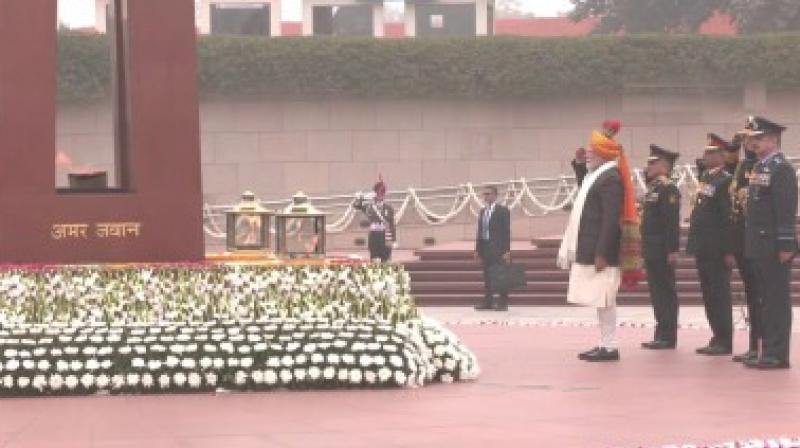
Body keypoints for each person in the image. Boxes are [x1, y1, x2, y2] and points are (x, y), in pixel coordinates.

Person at [559, 121, 642, 362]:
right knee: (600, 300)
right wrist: (578, 165)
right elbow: (587, 189)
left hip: (602, 249)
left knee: (605, 299)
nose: (588, 154)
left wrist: (602, 252)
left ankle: (610, 345)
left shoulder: (611, 178)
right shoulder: (598, 175)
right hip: (593, 247)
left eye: (592, 150)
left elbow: (609, 219)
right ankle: (605, 343)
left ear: (604, 154)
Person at [742, 116, 796, 370]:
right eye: (754, 138)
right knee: (764, 299)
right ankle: (767, 349)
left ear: (773, 140)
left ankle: (778, 353)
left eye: (760, 138)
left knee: (776, 300)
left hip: (774, 244)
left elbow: (785, 209)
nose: (754, 142)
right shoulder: (760, 167)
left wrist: (786, 245)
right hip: (758, 243)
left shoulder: (781, 169)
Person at [687, 134, 735, 356]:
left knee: (719, 294)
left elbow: (727, 217)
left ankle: (724, 340)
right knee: (708, 294)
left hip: (717, 247)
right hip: (703, 246)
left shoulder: (725, 180)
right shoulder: (706, 178)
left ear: (722, 155)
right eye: (705, 152)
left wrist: (728, 249)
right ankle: (716, 335)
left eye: (711, 152)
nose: (705, 156)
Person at [726, 129, 762, 364]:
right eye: (746, 139)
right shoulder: (741, 166)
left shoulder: (761, 166)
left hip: (756, 240)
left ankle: (761, 346)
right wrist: (733, 144)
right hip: (741, 239)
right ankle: (753, 346)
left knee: (759, 295)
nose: (749, 143)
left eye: (753, 139)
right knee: (751, 294)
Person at [640, 145, 681, 350]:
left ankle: (668, 335)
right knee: (657, 293)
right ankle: (661, 333)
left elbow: (670, 222)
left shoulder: (668, 188)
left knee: (665, 292)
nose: (648, 165)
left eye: (652, 162)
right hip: (651, 248)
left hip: (662, 249)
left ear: (664, 166)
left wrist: (672, 250)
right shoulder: (654, 188)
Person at [474, 185, 512, 311]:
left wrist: (507, 251)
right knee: (487, 276)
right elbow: (480, 231)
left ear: (495, 196)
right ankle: (488, 301)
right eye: (484, 194)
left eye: (488, 194)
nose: (486, 196)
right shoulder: (482, 211)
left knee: (500, 276)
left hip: (498, 248)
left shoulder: (502, 211)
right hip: (485, 247)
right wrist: (477, 249)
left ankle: (503, 302)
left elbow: (506, 232)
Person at [354, 177, 397, 262]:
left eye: (382, 193)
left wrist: (394, 239)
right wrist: (360, 198)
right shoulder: (369, 206)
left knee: (386, 261)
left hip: (386, 236)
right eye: (378, 193)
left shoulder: (389, 208)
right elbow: (356, 206)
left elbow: (392, 224)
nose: (380, 195)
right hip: (374, 236)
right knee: (375, 260)